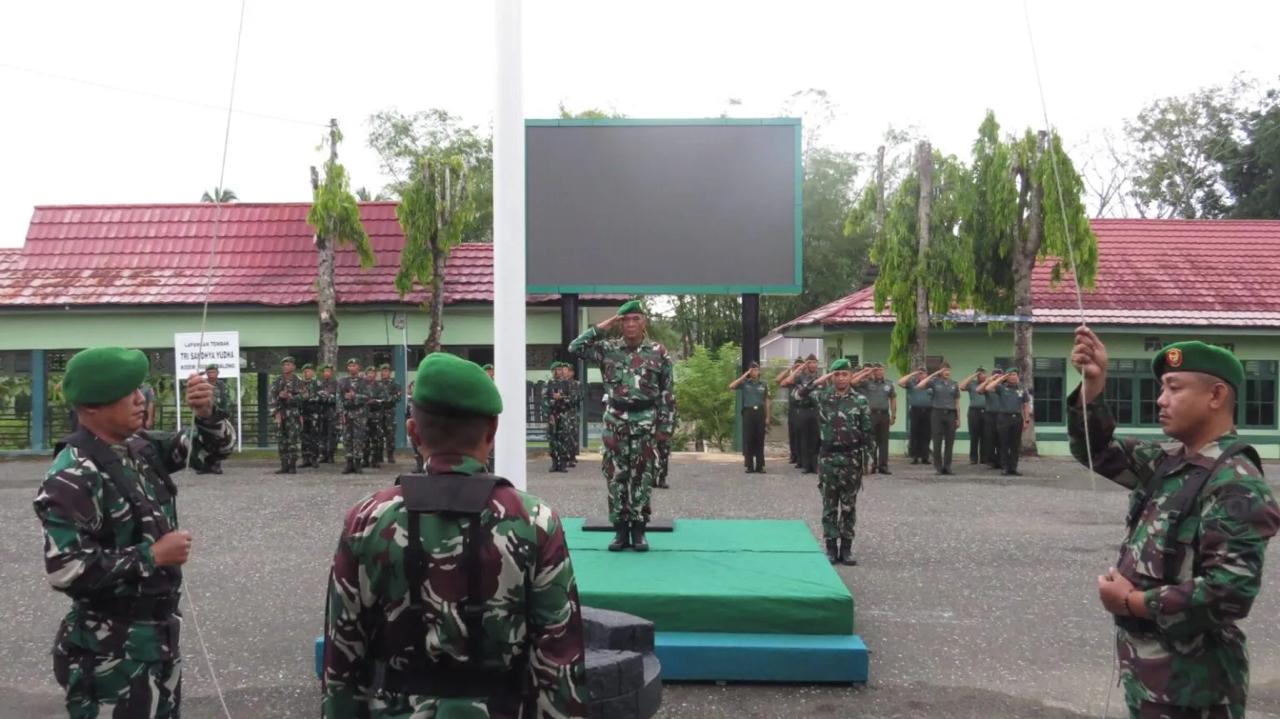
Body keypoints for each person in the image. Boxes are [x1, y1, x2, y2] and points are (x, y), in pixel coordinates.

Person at [322, 352, 587, 718]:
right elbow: (559, 658)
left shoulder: (367, 518)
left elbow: (343, 654)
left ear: (413, 432)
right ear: (492, 431)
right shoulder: (535, 521)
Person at [1070, 330, 1280, 719]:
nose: (1160, 400)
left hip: (1195, 692)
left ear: (1215, 396)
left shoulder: (1235, 483)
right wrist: (1093, 385)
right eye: (1161, 388)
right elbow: (1094, 448)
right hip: (1152, 678)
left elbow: (1229, 591)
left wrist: (1131, 603)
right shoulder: (1169, 464)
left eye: (1173, 388)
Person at [34, 346, 235, 718]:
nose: (141, 399)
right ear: (93, 405)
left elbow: (211, 452)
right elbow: (66, 570)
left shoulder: (138, 449)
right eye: (128, 392)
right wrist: (153, 555)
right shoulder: (73, 474)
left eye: (139, 389)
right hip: (108, 652)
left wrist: (206, 414)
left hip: (155, 638)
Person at [570, 299, 674, 553]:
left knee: (642, 475)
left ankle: (639, 532)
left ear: (644, 322)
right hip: (615, 420)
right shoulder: (607, 348)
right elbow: (575, 347)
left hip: (646, 421)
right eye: (624, 320)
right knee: (616, 476)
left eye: (635, 319)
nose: (630, 324)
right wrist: (604, 326)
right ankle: (619, 531)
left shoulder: (658, 352)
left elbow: (667, 392)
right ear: (619, 323)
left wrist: (665, 427)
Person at [796, 360, 871, 566]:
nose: (841, 378)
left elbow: (867, 432)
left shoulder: (860, 400)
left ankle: (846, 549)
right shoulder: (822, 397)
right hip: (828, 459)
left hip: (852, 459)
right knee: (829, 505)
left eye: (844, 374)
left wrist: (868, 460)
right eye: (836, 374)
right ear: (831, 377)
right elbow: (798, 395)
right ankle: (830, 548)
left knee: (848, 505)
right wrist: (821, 380)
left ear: (850, 376)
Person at [981, 367, 1031, 476]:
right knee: (1004, 444)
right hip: (1004, 418)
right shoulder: (1001, 388)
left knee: (1015, 445)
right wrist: (1001, 378)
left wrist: (1026, 420)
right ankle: (1004, 467)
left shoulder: (1022, 388)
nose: (1014, 377)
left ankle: (1013, 468)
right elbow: (988, 388)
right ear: (1007, 377)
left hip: (1017, 418)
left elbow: (1026, 405)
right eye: (1011, 375)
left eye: (1015, 375)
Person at [781, 355, 822, 474]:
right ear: (807, 365)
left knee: (816, 439)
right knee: (804, 438)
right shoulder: (800, 377)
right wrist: (800, 368)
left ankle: (815, 465)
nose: (813, 365)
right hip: (803, 410)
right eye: (810, 363)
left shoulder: (819, 377)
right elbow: (786, 382)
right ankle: (806, 465)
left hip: (816, 410)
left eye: (815, 362)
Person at [918, 363, 961, 475]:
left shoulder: (954, 384)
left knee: (949, 442)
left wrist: (958, 418)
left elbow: (957, 402)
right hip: (937, 413)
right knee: (937, 442)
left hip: (951, 414)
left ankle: (948, 467)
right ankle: (938, 467)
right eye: (944, 370)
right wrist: (934, 374)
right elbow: (920, 386)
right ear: (940, 371)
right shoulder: (934, 382)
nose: (947, 372)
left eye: (948, 370)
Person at [855, 363, 897, 475]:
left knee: (884, 441)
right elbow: (852, 382)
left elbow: (893, 399)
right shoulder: (867, 383)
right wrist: (866, 372)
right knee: (871, 441)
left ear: (884, 371)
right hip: (871, 415)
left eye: (881, 370)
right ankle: (872, 465)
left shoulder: (889, 384)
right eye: (876, 370)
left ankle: (883, 466)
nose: (879, 372)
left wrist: (893, 415)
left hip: (884, 415)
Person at [730, 361, 770, 474]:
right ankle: (749, 466)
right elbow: (731, 386)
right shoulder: (745, 383)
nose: (754, 372)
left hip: (760, 413)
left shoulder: (764, 384)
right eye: (752, 370)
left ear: (759, 371)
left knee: (759, 439)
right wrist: (745, 375)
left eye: (756, 369)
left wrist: (768, 416)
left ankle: (760, 466)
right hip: (748, 412)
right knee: (748, 439)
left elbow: (767, 400)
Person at [271, 356, 305, 474]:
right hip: (281, 413)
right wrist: (276, 411)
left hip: (293, 414)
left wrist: (290, 397)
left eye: (289, 364)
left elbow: (304, 397)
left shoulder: (299, 381)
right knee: (281, 440)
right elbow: (271, 398)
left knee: (293, 440)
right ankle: (284, 465)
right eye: (285, 365)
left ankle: (292, 465)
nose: (286, 367)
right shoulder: (277, 380)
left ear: (294, 367)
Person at [338, 359, 369, 474]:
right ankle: (349, 463)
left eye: (354, 365)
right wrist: (340, 412)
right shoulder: (342, 381)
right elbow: (338, 398)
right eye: (350, 366)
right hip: (347, 413)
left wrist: (355, 396)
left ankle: (358, 463)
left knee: (358, 438)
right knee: (347, 438)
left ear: (358, 367)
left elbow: (368, 396)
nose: (352, 368)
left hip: (359, 414)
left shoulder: (364, 382)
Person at [543, 362, 574, 473]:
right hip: (552, 415)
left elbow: (572, 400)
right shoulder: (548, 384)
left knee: (564, 438)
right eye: (557, 369)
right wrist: (551, 406)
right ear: (553, 371)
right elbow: (544, 400)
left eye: (561, 369)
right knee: (553, 439)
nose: (560, 372)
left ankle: (563, 464)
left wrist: (561, 398)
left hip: (563, 414)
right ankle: (554, 463)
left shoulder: (566, 384)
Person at [202, 364, 232, 475]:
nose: (211, 374)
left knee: (217, 441)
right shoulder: (202, 385)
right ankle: (205, 465)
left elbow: (226, 401)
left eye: (214, 372)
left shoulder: (222, 386)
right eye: (209, 372)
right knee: (204, 441)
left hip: (217, 417)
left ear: (217, 373)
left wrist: (224, 414)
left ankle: (216, 465)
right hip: (204, 416)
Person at [898, 368, 933, 465]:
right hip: (915, 410)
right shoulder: (912, 383)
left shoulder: (931, 384)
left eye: (923, 373)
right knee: (915, 434)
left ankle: (925, 457)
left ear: (926, 374)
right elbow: (900, 382)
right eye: (919, 373)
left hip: (928, 411)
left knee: (926, 435)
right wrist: (912, 374)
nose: (921, 375)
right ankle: (915, 457)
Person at [959, 367, 988, 466]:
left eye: (984, 374)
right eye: (980, 374)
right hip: (974, 412)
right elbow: (961, 386)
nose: (982, 376)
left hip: (986, 411)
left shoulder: (988, 384)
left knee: (985, 436)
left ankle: (984, 458)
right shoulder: (972, 384)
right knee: (974, 436)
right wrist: (973, 376)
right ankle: (973, 458)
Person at [779, 358, 804, 466]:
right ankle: (793, 455)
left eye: (800, 366)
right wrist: (791, 369)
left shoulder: (804, 378)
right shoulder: (792, 379)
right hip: (793, 409)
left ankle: (801, 457)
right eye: (797, 365)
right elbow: (778, 380)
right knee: (793, 433)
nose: (799, 368)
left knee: (802, 434)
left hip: (803, 409)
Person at [299, 363, 322, 469]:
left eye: (308, 371)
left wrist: (310, 398)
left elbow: (322, 397)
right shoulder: (300, 384)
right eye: (305, 371)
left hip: (314, 413)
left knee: (314, 437)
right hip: (303, 413)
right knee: (304, 437)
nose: (306, 373)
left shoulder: (317, 383)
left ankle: (314, 458)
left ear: (313, 372)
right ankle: (305, 458)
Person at [363, 365, 387, 470]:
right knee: (364, 438)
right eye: (368, 373)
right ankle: (365, 459)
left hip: (376, 415)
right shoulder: (361, 385)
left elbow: (384, 399)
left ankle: (375, 460)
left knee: (376, 438)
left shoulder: (380, 386)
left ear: (375, 375)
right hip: (364, 415)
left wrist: (375, 401)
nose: (370, 375)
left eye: (372, 373)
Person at [981, 368, 1004, 469]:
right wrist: (989, 380)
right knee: (990, 439)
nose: (997, 376)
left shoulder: (1005, 387)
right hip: (990, 415)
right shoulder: (988, 387)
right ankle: (991, 461)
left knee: (1001, 439)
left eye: (999, 375)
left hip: (1002, 415)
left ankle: (1001, 461)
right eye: (995, 375)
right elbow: (978, 390)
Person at [380, 363, 402, 465]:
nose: (384, 373)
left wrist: (387, 399)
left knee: (390, 434)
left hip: (389, 411)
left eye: (386, 371)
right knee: (378, 434)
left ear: (389, 372)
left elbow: (398, 397)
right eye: (383, 371)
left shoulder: (395, 384)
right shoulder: (377, 384)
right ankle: (378, 455)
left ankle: (390, 455)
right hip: (378, 412)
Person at [318, 364, 339, 463]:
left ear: (332, 373)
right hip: (322, 412)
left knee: (332, 434)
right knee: (322, 433)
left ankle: (331, 454)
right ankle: (323, 454)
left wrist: (329, 396)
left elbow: (338, 398)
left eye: (328, 371)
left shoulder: (336, 383)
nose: (326, 373)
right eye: (325, 371)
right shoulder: (320, 384)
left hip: (332, 412)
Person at [656, 397, 676, 489]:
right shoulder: (650, 392)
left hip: (664, 429)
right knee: (649, 454)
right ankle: (651, 478)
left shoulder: (669, 397)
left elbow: (673, 414)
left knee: (664, 454)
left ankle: (662, 479)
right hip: (650, 427)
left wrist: (669, 430)